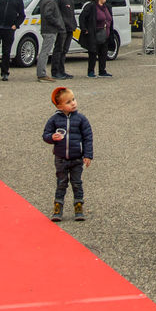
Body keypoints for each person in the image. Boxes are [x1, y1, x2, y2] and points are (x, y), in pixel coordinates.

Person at [42, 85, 93, 220]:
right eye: (68, 102)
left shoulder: (81, 119)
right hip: (60, 158)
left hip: (76, 158)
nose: (73, 103)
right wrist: (51, 137)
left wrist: (87, 155)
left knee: (77, 183)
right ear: (59, 106)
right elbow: (45, 134)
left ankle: (78, 205)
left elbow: (88, 137)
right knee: (61, 182)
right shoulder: (54, 120)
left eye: (73, 99)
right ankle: (58, 207)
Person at [38, 0, 72, 80]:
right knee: (45, 52)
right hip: (49, 30)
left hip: (50, 30)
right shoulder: (50, 1)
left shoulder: (50, 0)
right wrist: (58, 23)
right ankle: (42, 74)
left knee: (46, 51)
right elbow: (48, 15)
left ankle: (42, 73)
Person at [81, 0, 115, 78]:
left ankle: (102, 71)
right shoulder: (91, 6)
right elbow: (82, 17)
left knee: (103, 53)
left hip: (105, 34)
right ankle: (90, 71)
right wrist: (84, 29)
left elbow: (110, 19)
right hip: (95, 33)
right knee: (93, 53)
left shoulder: (107, 7)